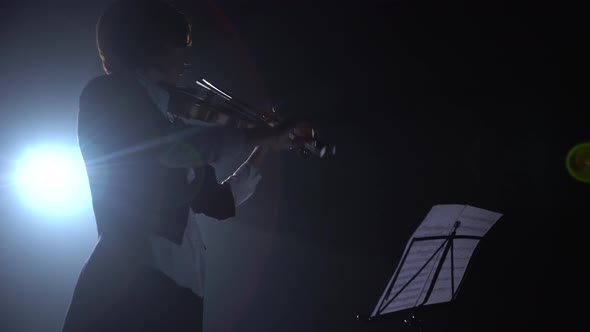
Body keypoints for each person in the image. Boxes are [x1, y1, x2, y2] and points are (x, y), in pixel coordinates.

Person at [62, 1, 302, 331]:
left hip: (183, 296)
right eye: (179, 45)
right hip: (128, 287)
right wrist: (258, 134)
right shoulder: (108, 95)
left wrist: (264, 145)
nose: (185, 60)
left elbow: (221, 202)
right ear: (151, 43)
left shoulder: (167, 118)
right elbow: (166, 148)